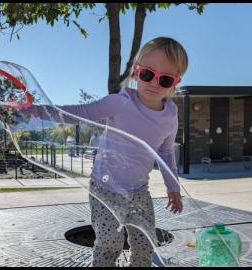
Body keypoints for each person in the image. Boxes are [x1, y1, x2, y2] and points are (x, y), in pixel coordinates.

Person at [31, 37, 186, 267]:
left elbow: (166, 153)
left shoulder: (170, 114)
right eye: (147, 74)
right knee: (109, 244)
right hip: (105, 190)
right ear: (136, 72)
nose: (154, 83)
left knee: (145, 244)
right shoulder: (119, 102)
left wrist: (173, 188)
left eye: (164, 79)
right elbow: (80, 112)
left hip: (139, 191)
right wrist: (38, 111)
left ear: (175, 83)